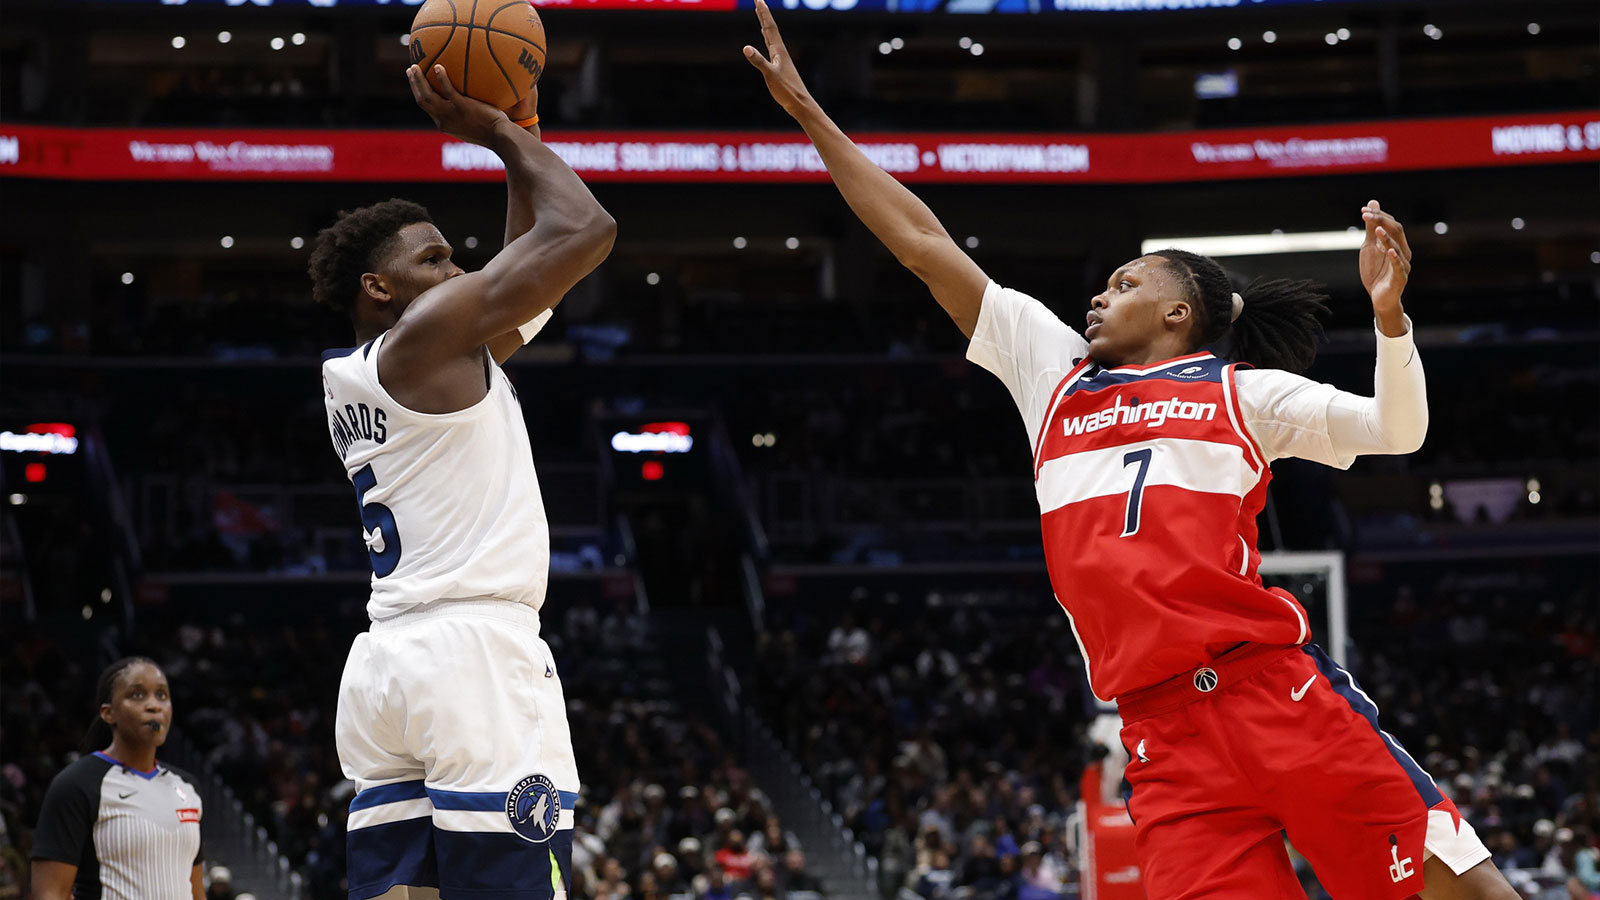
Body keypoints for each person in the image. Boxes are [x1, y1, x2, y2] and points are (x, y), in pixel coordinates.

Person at [741, 4, 1519, 898]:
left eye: (1125, 283)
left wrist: (1390, 321)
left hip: (1276, 696)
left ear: (1180, 314)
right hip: (1161, 735)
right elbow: (923, 244)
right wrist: (811, 117)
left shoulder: (1242, 392)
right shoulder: (1054, 374)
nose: (1100, 298)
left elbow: (1399, 430)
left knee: (1474, 896)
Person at [309, 64, 615, 900]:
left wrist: (523, 134)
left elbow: (523, 261)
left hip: (390, 663)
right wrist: (494, 132)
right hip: (473, 656)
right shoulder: (429, 339)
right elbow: (587, 228)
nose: (458, 270)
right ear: (379, 287)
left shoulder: (366, 371)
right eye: (435, 259)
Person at [30, 657, 206, 900]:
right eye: (137, 695)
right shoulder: (76, 784)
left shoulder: (187, 788)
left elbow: (197, 893)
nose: (154, 706)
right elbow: (50, 893)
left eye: (162, 695)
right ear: (108, 713)